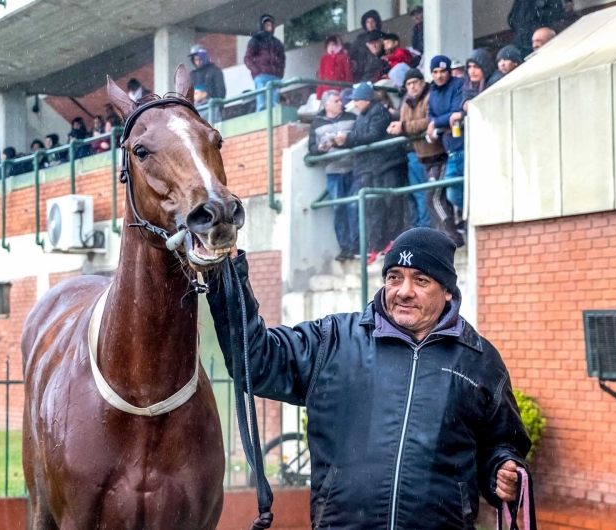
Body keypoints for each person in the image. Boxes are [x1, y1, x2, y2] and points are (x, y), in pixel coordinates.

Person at [205, 227, 531, 530]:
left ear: (447, 291)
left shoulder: (479, 360)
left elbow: (501, 441)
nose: (404, 291)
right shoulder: (332, 341)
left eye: (421, 280)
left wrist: (501, 470)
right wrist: (229, 275)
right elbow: (256, 360)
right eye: (394, 277)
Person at [334, 82, 408, 260]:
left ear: (366, 99)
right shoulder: (363, 116)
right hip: (374, 167)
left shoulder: (379, 113)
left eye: (357, 100)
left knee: (391, 204)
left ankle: (390, 242)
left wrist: (348, 139)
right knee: (374, 207)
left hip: (388, 164)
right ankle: (377, 246)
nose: (355, 104)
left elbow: (373, 135)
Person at [388, 68, 442, 231]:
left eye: (415, 82)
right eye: (408, 84)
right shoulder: (406, 102)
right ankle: (424, 230)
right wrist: (400, 127)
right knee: (420, 194)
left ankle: (439, 230)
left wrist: (404, 127)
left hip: (436, 153)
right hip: (416, 154)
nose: (412, 87)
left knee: (436, 195)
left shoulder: (431, 96)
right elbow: (408, 125)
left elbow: (428, 121)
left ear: (422, 82)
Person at [309, 90, 358, 261]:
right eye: (336, 101)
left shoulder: (352, 116)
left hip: (354, 168)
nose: (340, 103)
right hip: (333, 171)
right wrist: (321, 149)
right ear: (326, 104)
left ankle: (356, 246)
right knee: (338, 209)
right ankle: (345, 248)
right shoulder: (316, 123)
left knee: (354, 206)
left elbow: (359, 136)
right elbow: (312, 149)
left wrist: (347, 139)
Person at [426, 55, 465, 246]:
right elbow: (431, 116)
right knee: (452, 193)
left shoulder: (458, 84)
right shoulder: (432, 89)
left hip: (463, 144)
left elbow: (455, 111)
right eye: (435, 72)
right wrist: (441, 123)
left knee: (455, 191)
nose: (439, 76)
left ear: (449, 71)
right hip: (449, 146)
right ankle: (460, 227)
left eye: (443, 71)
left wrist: (436, 123)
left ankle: (465, 225)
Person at [244, 14, 286, 112]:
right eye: (267, 25)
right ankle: (263, 125)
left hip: (275, 77)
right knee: (262, 104)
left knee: (275, 104)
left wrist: (280, 74)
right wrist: (258, 72)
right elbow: (247, 58)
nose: (269, 27)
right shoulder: (255, 40)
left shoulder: (277, 43)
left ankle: (274, 125)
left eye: (271, 25)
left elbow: (282, 59)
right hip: (262, 77)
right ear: (262, 26)